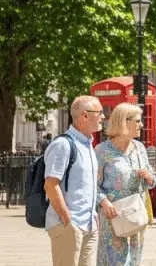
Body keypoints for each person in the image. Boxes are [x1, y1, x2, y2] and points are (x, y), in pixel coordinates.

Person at [43, 96, 105, 266]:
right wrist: (67, 219)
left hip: (89, 224)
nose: (103, 116)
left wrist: (93, 214)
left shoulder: (87, 145)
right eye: (99, 112)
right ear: (85, 115)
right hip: (69, 225)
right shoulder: (63, 145)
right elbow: (50, 184)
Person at [95, 103, 156, 266]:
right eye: (137, 121)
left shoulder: (139, 148)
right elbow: (93, 185)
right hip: (113, 216)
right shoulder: (102, 151)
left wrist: (149, 177)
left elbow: (151, 179)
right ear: (124, 121)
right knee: (113, 261)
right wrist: (104, 202)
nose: (141, 125)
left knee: (134, 259)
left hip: (136, 214)